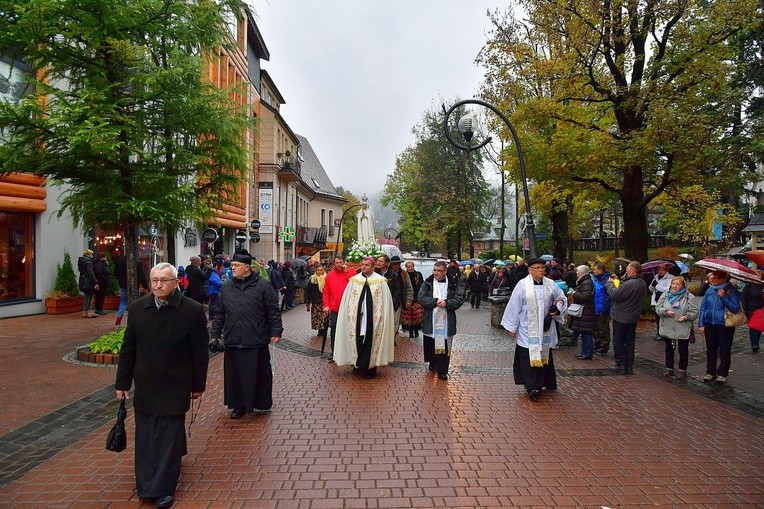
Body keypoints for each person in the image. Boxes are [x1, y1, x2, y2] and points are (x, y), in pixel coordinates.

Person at [115, 262, 208, 508]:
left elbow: (200, 352)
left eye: (164, 280)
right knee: (146, 436)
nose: (158, 285)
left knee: (167, 436)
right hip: (146, 384)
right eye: (154, 280)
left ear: (176, 282)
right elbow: (128, 349)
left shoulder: (192, 310)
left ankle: (163, 489)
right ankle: (145, 484)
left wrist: (198, 384)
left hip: (175, 384)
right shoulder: (137, 309)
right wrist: (122, 382)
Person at [210, 249, 283, 418]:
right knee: (235, 376)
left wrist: (276, 331)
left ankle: (259, 402)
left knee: (257, 373)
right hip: (233, 338)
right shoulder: (227, 287)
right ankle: (238, 405)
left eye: (236, 265)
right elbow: (219, 313)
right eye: (232, 265)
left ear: (247, 267)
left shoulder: (263, 285)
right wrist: (215, 335)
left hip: (255, 337)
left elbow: (273, 310)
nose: (232, 268)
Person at [501, 257, 567, 401]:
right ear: (530, 270)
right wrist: (511, 326)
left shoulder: (551, 284)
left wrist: (557, 308)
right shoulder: (522, 285)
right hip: (527, 328)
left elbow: (562, 298)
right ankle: (531, 387)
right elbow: (514, 306)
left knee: (543, 354)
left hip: (544, 327)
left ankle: (542, 382)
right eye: (537, 268)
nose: (541, 270)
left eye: (542, 268)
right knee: (527, 356)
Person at [334, 256, 395, 379]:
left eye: (366, 265)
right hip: (357, 319)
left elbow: (386, 302)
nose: (363, 267)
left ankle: (370, 368)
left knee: (371, 341)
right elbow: (347, 301)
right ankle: (358, 365)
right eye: (362, 264)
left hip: (374, 319)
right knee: (357, 339)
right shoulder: (354, 281)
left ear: (373, 267)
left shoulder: (381, 282)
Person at [418, 261, 465, 380]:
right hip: (431, 319)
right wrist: (434, 301)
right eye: (434, 270)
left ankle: (442, 370)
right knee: (431, 343)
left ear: (445, 271)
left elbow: (459, 298)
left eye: (439, 271)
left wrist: (447, 303)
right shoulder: (427, 283)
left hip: (446, 319)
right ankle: (433, 363)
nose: (436, 273)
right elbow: (421, 298)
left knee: (445, 344)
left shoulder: (453, 283)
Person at [698, 271, 741, 383]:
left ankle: (722, 373)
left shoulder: (731, 291)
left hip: (724, 324)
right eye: (712, 278)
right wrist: (701, 323)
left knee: (724, 349)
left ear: (723, 279)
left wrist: (724, 297)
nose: (713, 280)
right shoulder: (710, 290)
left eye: (716, 278)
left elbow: (735, 308)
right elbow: (703, 308)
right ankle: (710, 372)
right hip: (710, 324)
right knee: (711, 348)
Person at [606, 261, 648, 375]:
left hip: (621, 316)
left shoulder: (631, 283)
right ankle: (629, 365)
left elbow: (616, 294)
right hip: (633, 317)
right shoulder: (641, 283)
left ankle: (621, 364)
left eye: (628, 268)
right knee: (629, 342)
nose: (626, 270)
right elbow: (624, 290)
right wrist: (617, 281)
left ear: (633, 271)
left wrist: (610, 284)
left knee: (618, 341)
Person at [655, 276, 699, 379]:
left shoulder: (689, 296)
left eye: (678, 284)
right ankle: (669, 369)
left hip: (682, 327)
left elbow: (695, 312)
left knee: (683, 350)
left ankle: (682, 370)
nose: (675, 286)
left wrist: (686, 317)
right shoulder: (665, 295)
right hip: (668, 326)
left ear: (683, 285)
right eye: (673, 284)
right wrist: (665, 312)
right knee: (669, 349)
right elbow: (658, 308)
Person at [322, 255, 354, 361]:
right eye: (337, 263)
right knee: (334, 329)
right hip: (335, 308)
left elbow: (354, 284)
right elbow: (326, 292)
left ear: (344, 262)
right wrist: (326, 305)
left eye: (341, 262)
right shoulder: (330, 276)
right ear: (334, 263)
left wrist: (346, 272)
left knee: (348, 330)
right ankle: (334, 351)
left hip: (348, 308)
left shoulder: (351, 272)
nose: (339, 265)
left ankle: (349, 352)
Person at [568, 265, 596, 360]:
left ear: (582, 273)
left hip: (585, 311)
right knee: (584, 333)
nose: (576, 273)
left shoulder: (586, 283)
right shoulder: (585, 282)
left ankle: (587, 353)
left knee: (586, 333)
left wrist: (574, 293)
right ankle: (585, 352)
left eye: (578, 271)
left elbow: (585, 296)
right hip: (586, 311)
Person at [115, 255, 148, 326]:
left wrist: (120, 281)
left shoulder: (119, 261)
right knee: (135, 302)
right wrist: (145, 286)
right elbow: (141, 275)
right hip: (134, 285)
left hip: (123, 285)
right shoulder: (137, 262)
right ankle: (135, 319)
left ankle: (119, 316)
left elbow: (116, 273)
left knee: (123, 302)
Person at [375, 254, 402, 337]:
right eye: (378, 261)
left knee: (391, 323)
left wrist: (392, 302)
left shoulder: (393, 275)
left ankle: (390, 338)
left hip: (391, 304)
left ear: (387, 263)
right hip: (377, 304)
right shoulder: (375, 273)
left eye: (381, 261)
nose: (378, 263)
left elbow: (397, 290)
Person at [306, 264, 330, 352]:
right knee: (317, 317)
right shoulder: (312, 279)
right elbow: (308, 291)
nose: (319, 272)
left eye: (321, 270)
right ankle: (319, 330)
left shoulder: (327, 278)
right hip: (316, 302)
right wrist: (308, 302)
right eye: (318, 270)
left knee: (324, 317)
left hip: (324, 302)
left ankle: (324, 330)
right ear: (316, 271)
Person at [592, 263, 612, 355]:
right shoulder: (595, 279)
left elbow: (608, 296)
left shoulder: (607, 280)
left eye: (595, 269)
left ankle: (604, 346)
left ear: (600, 270)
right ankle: (597, 343)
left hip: (603, 308)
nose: (594, 271)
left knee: (603, 328)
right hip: (595, 307)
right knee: (596, 327)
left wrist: (604, 308)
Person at [649, 264, 674, 340]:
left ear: (666, 271)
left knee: (662, 318)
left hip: (664, 301)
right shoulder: (656, 277)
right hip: (656, 300)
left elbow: (667, 289)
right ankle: (659, 332)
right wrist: (652, 286)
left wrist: (657, 286)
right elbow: (651, 289)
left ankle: (663, 333)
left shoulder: (670, 278)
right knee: (657, 318)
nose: (660, 272)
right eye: (659, 270)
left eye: (662, 270)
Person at [402, 260, 424, 338]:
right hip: (407, 297)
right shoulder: (404, 274)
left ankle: (416, 331)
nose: (410, 268)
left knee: (417, 316)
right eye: (408, 267)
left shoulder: (418, 274)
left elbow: (422, 285)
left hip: (417, 298)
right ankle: (410, 332)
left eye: (411, 267)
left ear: (413, 267)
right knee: (409, 316)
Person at [741, 278, 763, 353]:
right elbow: (743, 298)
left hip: (760, 309)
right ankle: (754, 344)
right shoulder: (748, 286)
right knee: (754, 326)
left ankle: (755, 342)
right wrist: (745, 309)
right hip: (750, 309)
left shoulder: (762, 286)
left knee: (758, 326)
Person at [77, 249, 99, 318]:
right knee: (89, 296)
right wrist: (95, 282)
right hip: (88, 281)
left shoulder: (82, 262)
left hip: (83, 280)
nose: (92, 255)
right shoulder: (88, 263)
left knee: (87, 296)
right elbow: (90, 273)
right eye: (91, 254)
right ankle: (87, 311)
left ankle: (87, 311)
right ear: (88, 255)